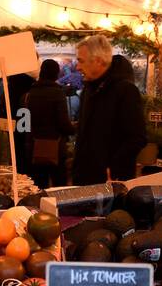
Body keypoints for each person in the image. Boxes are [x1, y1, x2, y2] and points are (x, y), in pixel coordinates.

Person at [72, 35, 145, 184]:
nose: (77, 67)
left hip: (111, 182)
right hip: (84, 180)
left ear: (98, 60)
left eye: (81, 61)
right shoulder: (88, 89)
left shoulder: (125, 91)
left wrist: (114, 167)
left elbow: (137, 137)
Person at [22, 59, 71, 189]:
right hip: (56, 150)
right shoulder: (59, 94)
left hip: (34, 150)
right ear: (56, 74)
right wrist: (74, 129)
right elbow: (64, 124)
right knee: (59, 189)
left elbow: (23, 126)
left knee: (38, 188)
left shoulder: (27, 95)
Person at [0, 71, 34, 167]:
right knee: (21, 153)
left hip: (9, 124)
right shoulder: (30, 85)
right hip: (23, 123)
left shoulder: (12, 85)